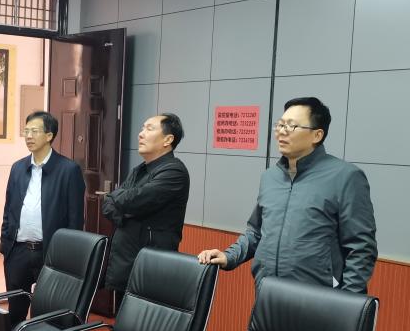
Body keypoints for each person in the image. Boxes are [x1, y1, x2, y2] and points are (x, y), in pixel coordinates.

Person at [198, 97, 377, 294]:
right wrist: (229, 256)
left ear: (317, 135)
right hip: (267, 291)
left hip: (320, 298)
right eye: (280, 125)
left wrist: (346, 301)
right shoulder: (270, 177)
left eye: (291, 126)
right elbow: (256, 231)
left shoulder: (345, 176)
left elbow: (361, 248)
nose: (282, 131)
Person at [0, 111, 86, 325]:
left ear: (49, 135)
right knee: (15, 310)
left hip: (50, 252)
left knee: (48, 309)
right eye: (26, 131)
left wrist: (68, 255)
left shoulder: (68, 169)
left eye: (34, 131)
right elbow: (9, 208)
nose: (28, 136)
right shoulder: (18, 167)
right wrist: (5, 243)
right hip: (18, 251)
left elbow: (75, 218)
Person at [102, 113, 190, 292]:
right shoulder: (139, 170)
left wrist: (117, 199)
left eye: (149, 129)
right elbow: (108, 204)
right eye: (142, 128)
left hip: (151, 265)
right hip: (126, 261)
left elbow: (133, 200)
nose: (141, 134)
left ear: (168, 140)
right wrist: (124, 214)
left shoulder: (174, 171)